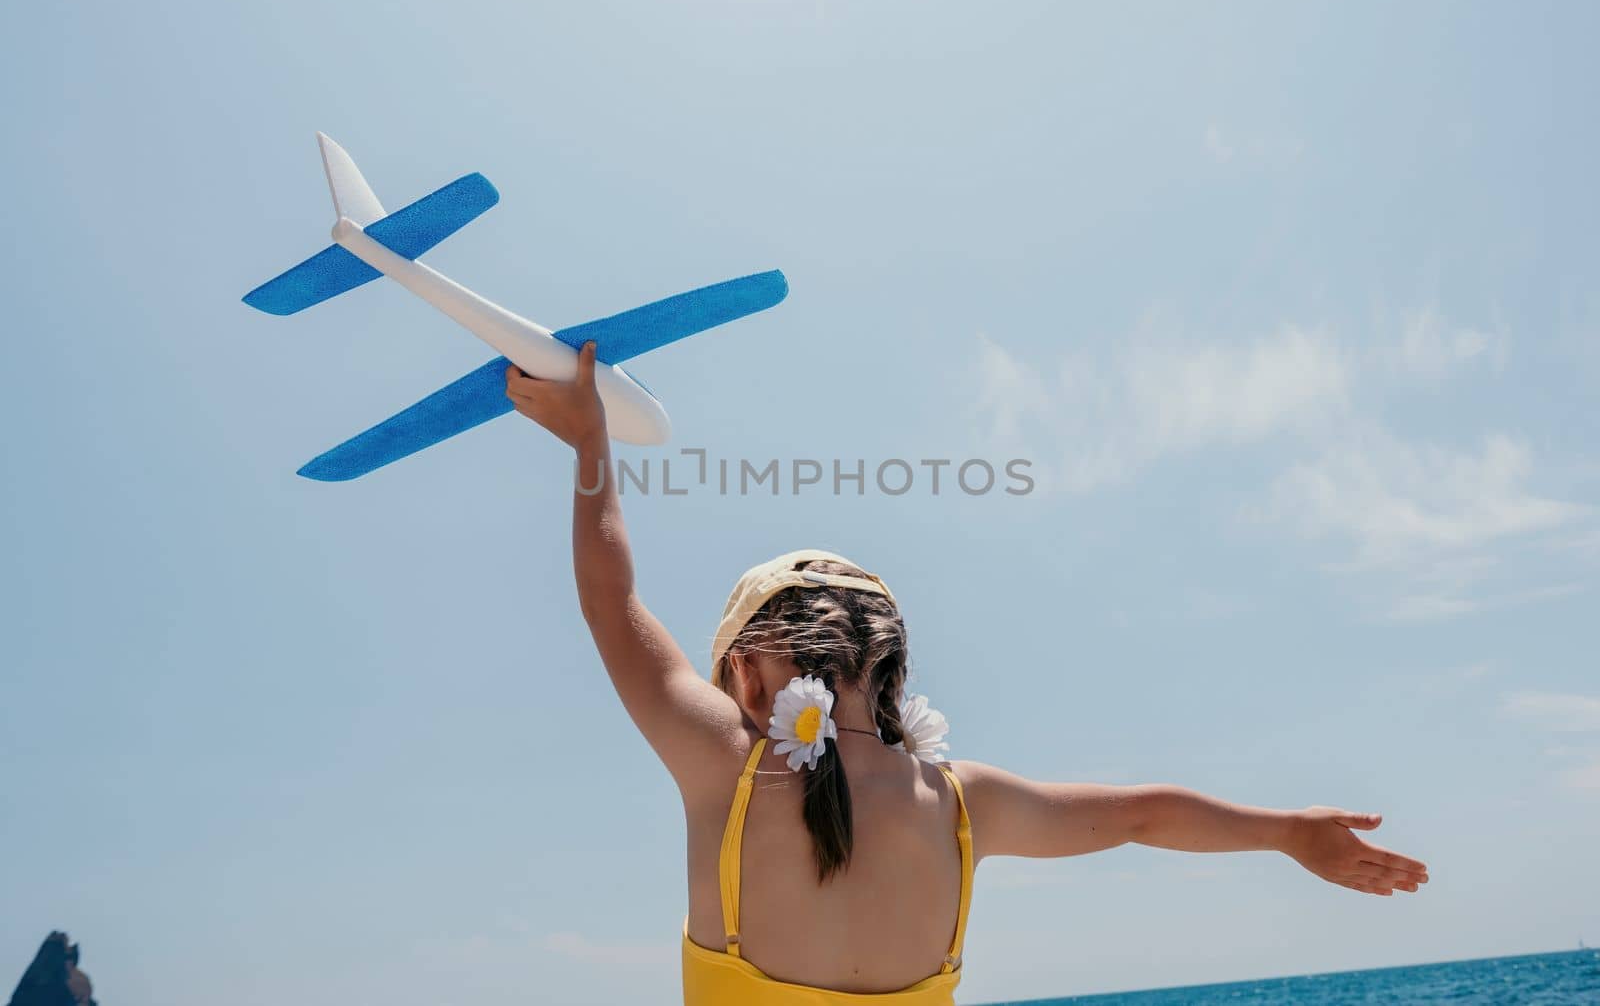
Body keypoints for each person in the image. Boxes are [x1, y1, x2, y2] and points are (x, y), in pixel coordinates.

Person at [504, 344, 1429, 1006]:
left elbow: (610, 598)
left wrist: (592, 445)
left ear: (745, 675)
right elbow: (1145, 814)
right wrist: (1289, 834)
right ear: (890, 664)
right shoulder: (961, 804)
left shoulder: (726, 768)